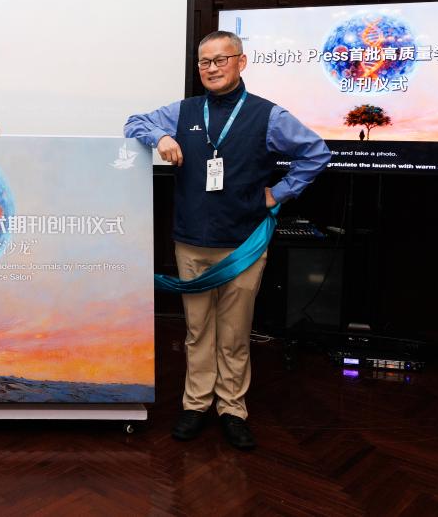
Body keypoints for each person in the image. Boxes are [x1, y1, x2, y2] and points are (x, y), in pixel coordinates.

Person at [124, 30, 330, 450]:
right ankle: (196, 405)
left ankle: (232, 409)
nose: (212, 68)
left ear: (241, 62)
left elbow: (316, 152)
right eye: (205, 62)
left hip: (243, 244)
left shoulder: (268, 116)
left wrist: (279, 193)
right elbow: (134, 122)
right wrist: (161, 137)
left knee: (234, 334)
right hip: (191, 242)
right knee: (197, 331)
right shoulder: (183, 111)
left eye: (221, 59)